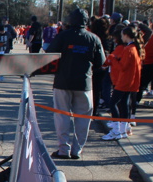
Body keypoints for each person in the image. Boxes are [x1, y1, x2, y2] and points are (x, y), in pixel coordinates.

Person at [45, 9, 106, 159]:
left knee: (62, 116)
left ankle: (63, 149)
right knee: (83, 118)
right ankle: (77, 150)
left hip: (62, 81)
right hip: (84, 82)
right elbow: (101, 62)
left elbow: (49, 53)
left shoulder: (63, 36)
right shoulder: (94, 38)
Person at [103, 25, 143, 140]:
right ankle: (123, 129)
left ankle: (116, 130)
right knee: (125, 104)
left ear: (126, 35)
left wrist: (113, 58)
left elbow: (122, 67)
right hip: (130, 80)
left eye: (122, 35)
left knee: (113, 103)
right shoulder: (134, 48)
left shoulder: (129, 49)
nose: (121, 37)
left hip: (124, 80)